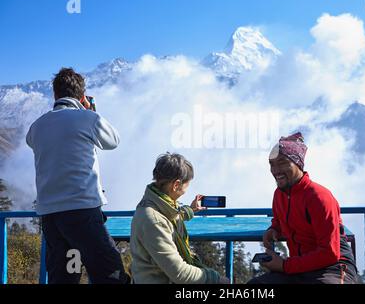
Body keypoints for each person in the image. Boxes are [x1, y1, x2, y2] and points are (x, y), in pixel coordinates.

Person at [26, 68, 129, 284]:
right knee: (111, 273)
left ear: (55, 95)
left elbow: (30, 141)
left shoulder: (37, 126)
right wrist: (91, 111)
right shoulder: (87, 118)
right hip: (82, 212)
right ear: (82, 97)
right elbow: (113, 141)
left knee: (64, 276)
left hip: (51, 217)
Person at [248, 132, 358, 284]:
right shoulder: (279, 195)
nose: (275, 170)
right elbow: (279, 221)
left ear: (298, 163)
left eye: (282, 163)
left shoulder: (319, 197)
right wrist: (273, 230)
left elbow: (330, 253)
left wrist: (285, 265)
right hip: (299, 267)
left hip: (333, 267)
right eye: (271, 164)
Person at [130, 152, 229, 284]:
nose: (187, 189)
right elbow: (180, 274)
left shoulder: (157, 202)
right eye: (187, 184)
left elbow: (172, 216)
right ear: (176, 185)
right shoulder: (154, 220)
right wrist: (216, 279)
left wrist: (191, 209)